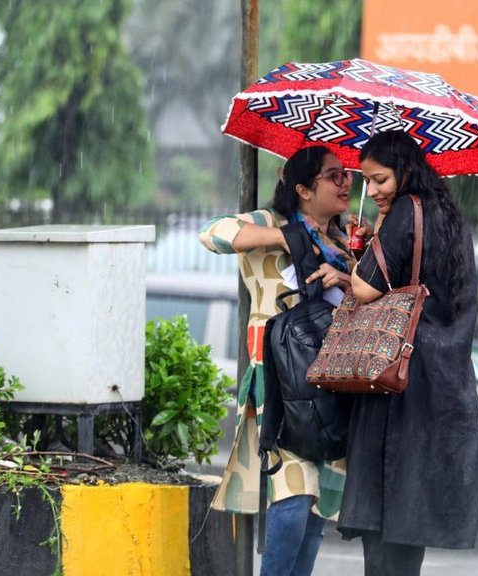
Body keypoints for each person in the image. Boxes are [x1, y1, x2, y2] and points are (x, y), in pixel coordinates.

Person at [199, 145, 366, 576]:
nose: (346, 183)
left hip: (332, 383)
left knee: (317, 507)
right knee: (293, 494)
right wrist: (286, 237)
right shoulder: (270, 223)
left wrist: (352, 270)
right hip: (280, 381)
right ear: (303, 189)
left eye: (347, 174)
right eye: (334, 175)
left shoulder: (345, 243)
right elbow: (212, 233)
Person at [340, 130, 478, 575]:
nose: (371, 190)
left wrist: (361, 253)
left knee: (384, 525)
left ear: (404, 172)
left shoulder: (407, 210)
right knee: (407, 524)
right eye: (366, 181)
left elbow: (366, 288)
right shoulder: (451, 215)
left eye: (379, 179)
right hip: (441, 384)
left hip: (397, 378)